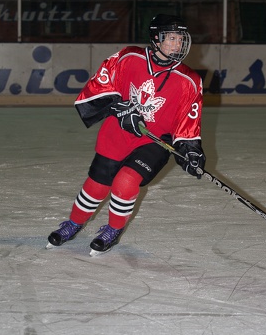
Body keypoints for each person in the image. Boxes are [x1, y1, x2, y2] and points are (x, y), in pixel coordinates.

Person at [47, 13, 205, 255]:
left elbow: (188, 123)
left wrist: (191, 152)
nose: (177, 44)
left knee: (126, 181)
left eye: (180, 39)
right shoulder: (128, 57)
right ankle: (74, 223)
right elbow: (99, 86)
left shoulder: (190, 80)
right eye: (171, 38)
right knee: (96, 186)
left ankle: (113, 229)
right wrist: (119, 107)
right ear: (155, 38)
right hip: (117, 134)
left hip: (154, 142)